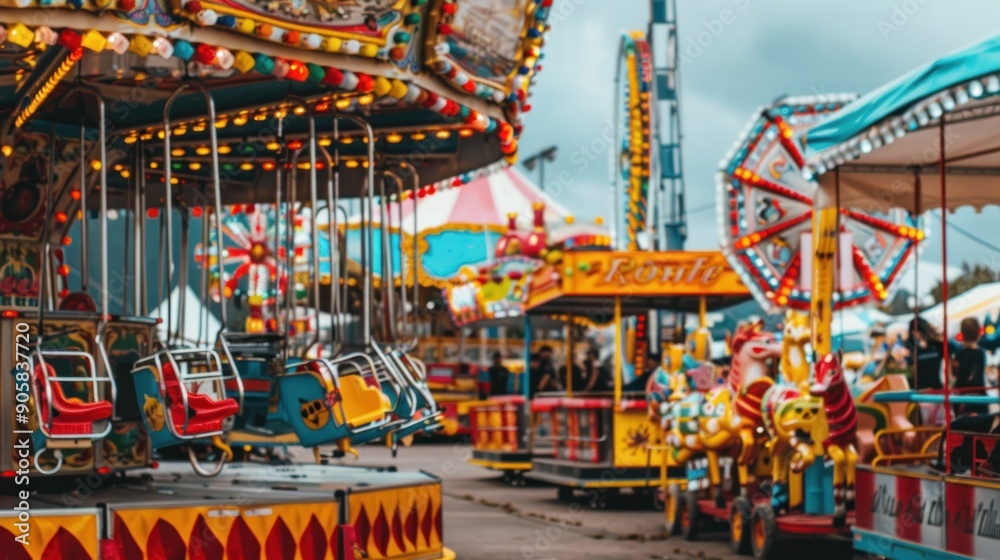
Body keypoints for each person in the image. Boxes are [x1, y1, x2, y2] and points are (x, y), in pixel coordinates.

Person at [952, 317, 989, 415]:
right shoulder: (980, 353)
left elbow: (954, 374)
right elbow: (976, 377)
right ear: (978, 332)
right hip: (977, 397)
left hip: (961, 397)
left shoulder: (958, 354)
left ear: (962, 333)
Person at [907, 316, 945, 391]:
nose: (915, 334)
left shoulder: (938, 345)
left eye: (916, 331)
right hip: (920, 389)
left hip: (936, 388)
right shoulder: (912, 348)